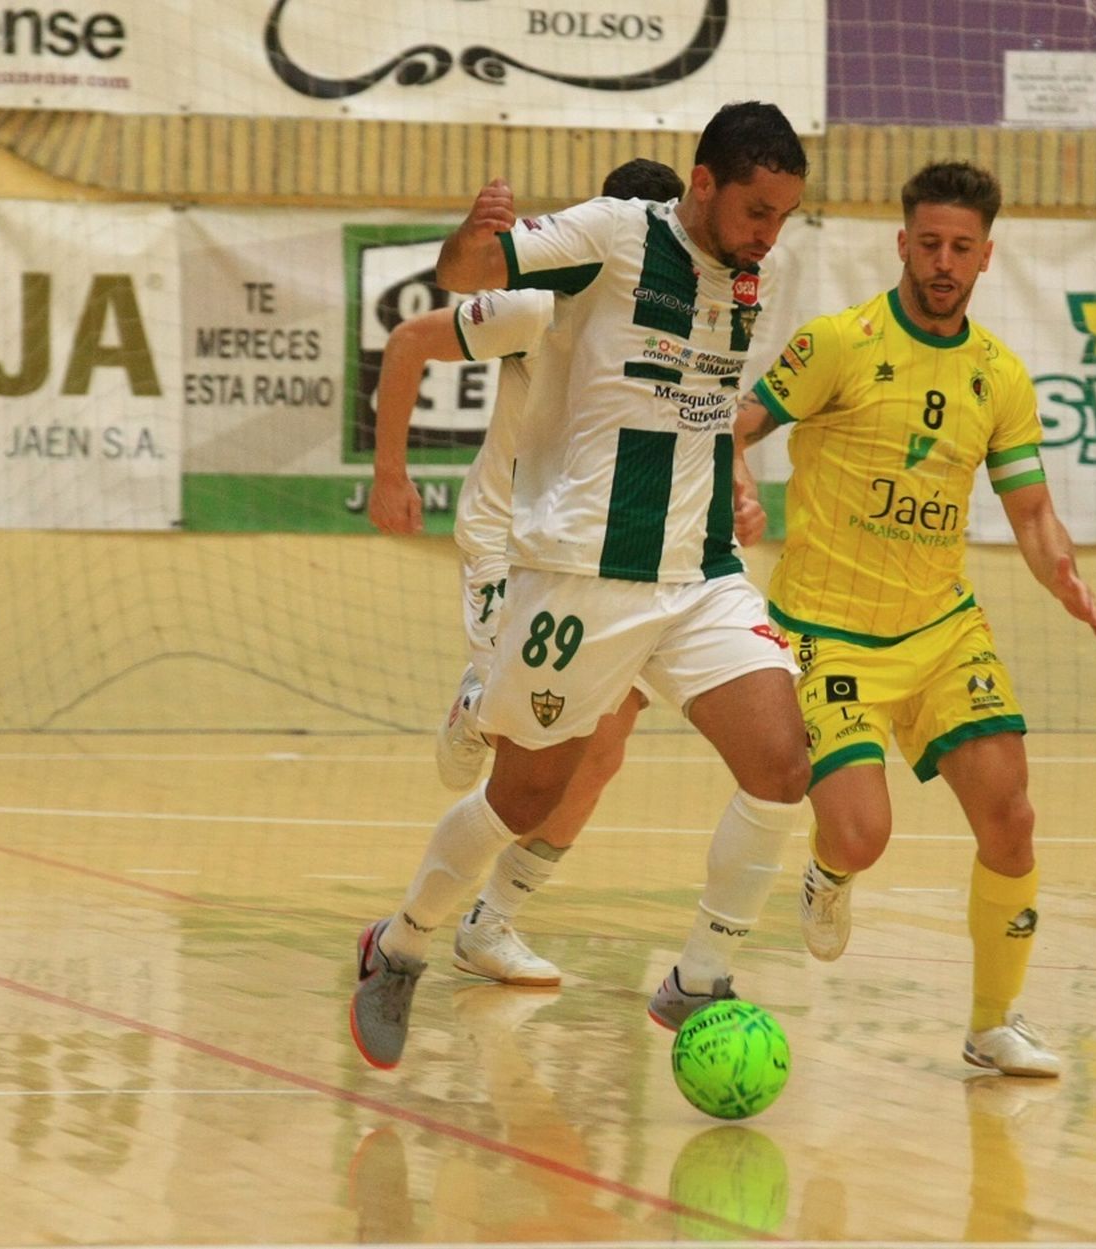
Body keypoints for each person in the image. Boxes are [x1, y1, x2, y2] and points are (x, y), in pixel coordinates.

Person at [350, 102, 813, 1070]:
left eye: (782, 215)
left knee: (779, 762)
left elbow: (704, 406)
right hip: (580, 577)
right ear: (702, 185)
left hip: (698, 577)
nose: (768, 233)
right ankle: (402, 945)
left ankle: (700, 976)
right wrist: (473, 238)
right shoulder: (611, 235)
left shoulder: (755, 278)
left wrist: (735, 486)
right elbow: (463, 277)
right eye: (756, 211)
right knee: (524, 796)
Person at [736, 160, 1096, 1077]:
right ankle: (830, 872)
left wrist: (1060, 570)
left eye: (962, 247)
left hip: (941, 629)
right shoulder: (838, 342)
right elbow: (732, 424)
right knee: (863, 832)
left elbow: (1028, 509)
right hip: (825, 629)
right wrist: (738, 477)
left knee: (1011, 816)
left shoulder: (1000, 375)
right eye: (929, 243)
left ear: (987, 256)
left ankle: (993, 1024)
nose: (944, 261)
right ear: (903, 243)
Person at [364, 160, 695, 992]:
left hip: (614, 561)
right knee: (531, 741)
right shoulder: (541, 302)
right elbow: (408, 341)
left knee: (604, 747)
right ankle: (481, 705)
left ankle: (493, 921)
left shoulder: (688, 320)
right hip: (511, 548)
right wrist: (390, 473)